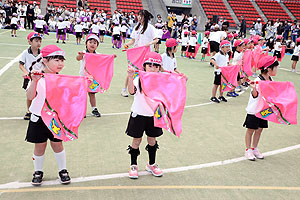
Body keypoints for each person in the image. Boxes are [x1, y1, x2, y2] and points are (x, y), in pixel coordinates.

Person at [26, 45, 71, 185]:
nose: (60, 64)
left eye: (62, 61)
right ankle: (38, 171)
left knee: (57, 144)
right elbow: (29, 95)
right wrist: (34, 80)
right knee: (39, 146)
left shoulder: (61, 78)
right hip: (38, 117)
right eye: (57, 60)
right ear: (45, 61)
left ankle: (63, 170)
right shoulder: (37, 76)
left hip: (55, 118)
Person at [126, 52, 164, 179]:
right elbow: (131, 91)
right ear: (144, 66)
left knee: (152, 140)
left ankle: (151, 164)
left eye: (156, 66)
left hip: (153, 115)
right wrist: (130, 77)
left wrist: (181, 80)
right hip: (138, 115)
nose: (153, 68)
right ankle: (133, 165)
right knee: (136, 140)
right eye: (150, 65)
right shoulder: (138, 79)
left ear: (159, 68)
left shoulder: (161, 81)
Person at [243, 56, 278, 161]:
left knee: (259, 129)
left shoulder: (271, 79)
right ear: (268, 69)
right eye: (275, 67)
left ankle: (255, 148)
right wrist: (254, 89)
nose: (276, 69)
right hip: (254, 110)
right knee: (251, 130)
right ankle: (248, 150)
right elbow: (255, 95)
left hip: (264, 110)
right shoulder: (258, 80)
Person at [122, 10, 158, 97]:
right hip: (136, 53)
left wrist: (148, 44)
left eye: (141, 16)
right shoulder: (136, 28)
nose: (139, 17)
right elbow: (133, 40)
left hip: (146, 54)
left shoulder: (150, 28)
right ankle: (124, 89)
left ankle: (143, 90)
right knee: (131, 71)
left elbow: (156, 39)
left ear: (145, 17)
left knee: (144, 72)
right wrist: (127, 44)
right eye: (138, 16)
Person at [76, 34, 102, 117]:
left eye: (95, 43)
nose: (92, 44)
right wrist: (80, 55)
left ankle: (94, 109)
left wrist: (111, 57)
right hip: (83, 77)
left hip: (92, 78)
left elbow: (103, 61)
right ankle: (81, 110)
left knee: (92, 94)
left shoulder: (98, 54)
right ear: (86, 44)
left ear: (97, 45)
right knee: (82, 94)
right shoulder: (84, 53)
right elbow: (78, 58)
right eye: (90, 42)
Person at [20, 32, 43, 120]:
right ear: (29, 42)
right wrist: (25, 72)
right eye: (36, 41)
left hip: (39, 78)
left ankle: (37, 110)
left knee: (39, 94)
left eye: (40, 41)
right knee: (29, 95)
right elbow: (21, 64)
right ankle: (29, 111)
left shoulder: (42, 54)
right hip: (29, 77)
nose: (38, 43)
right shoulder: (25, 53)